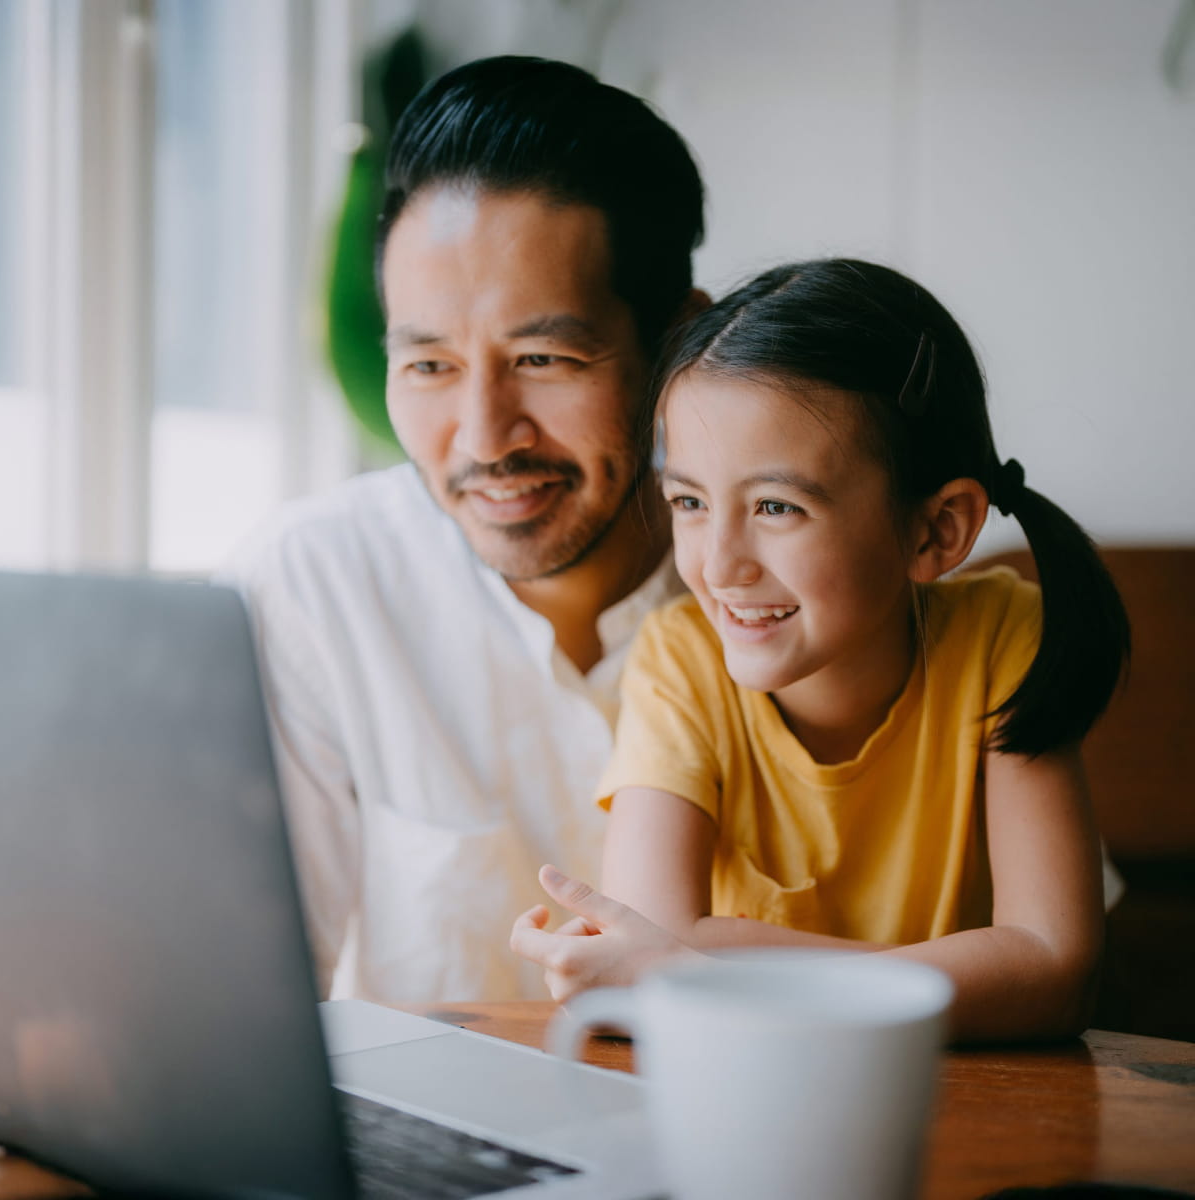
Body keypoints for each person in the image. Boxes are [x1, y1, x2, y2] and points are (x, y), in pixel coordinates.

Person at [511, 259, 1131, 1043]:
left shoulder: (999, 636)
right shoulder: (678, 662)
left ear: (937, 530)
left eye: (777, 505)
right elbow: (654, 958)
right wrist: (959, 975)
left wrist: (723, 960)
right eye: (690, 502)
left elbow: (1054, 973)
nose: (717, 564)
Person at [227, 56, 706, 1005]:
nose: (486, 437)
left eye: (543, 356)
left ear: (678, 350)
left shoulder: (798, 587)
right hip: (426, 1149)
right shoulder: (318, 581)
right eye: (431, 367)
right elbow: (240, 1005)